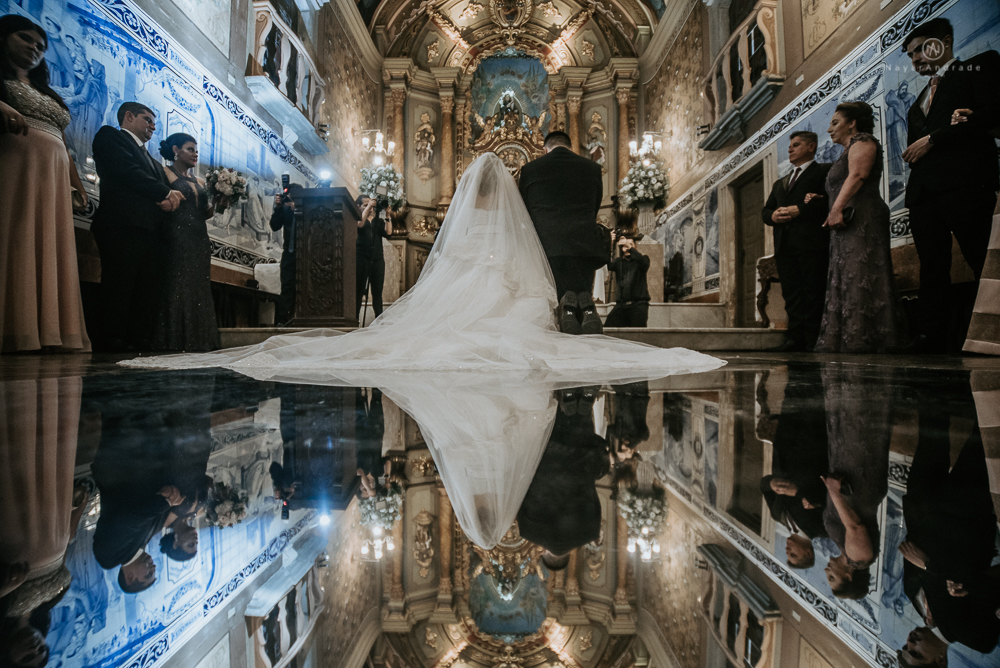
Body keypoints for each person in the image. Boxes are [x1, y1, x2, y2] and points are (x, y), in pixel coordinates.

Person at [119, 153, 724, 384]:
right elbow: (513, 264)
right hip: (506, 278)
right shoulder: (512, 222)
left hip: (467, 279)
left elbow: (452, 260)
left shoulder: (464, 225)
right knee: (522, 307)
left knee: (458, 318)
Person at [901, 18, 1000, 353]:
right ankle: (931, 337)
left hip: (966, 183)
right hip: (924, 194)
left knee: (980, 257)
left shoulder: (980, 67)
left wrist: (935, 138)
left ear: (943, 42)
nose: (915, 59)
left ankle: (990, 335)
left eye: (919, 50)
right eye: (910, 55)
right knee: (932, 268)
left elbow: (992, 114)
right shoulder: (916, 105)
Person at [0, 15, 91, 353]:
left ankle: (47, 329)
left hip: (52, 176)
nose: (34, 48)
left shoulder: (45, 91)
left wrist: (76, 183)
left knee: (46, 244)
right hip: (16, 168)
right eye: (25, 39)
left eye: (40, 45)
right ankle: (15, 328)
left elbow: (63, 143)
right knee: (17, 235)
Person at [813, 101, 906, 353]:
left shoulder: (863, 141)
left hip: (862, 217)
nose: (830, 129)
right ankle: (850, 336)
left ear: (852, 123)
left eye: (835, 123)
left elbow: (858, 175)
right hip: (846, 221)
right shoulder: (847, 149)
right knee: (848, 275)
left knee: (862, 272)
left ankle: (868, 338)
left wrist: (836, 208)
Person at [91, 102, 185, 351]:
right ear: (129, 116)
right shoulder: (111, 137)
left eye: (154, 122)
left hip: (151, 232)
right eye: (147, 119)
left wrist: (167, 201)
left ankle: (138, 339)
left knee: (145, 289)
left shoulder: (153, 161)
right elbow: (127, 171)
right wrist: (165, 193)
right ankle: (111, 339)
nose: (153, 126)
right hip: (122, 225)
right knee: (120, 284)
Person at [519, 131, 609, 335]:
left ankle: (565, 313)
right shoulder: (592, 168)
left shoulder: (530, 169)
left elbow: (524, 210)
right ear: (571, 146)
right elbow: (595, 206)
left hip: (547, 246)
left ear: (545, 149)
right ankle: (586, 311)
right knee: (580, 294)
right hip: (584, 243)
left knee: (554, 300)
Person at [517, 387, 609, 568]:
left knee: (581, 412)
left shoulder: (588, 532)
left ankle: (582, 395)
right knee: (552, 405)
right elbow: (522, 494)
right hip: (546, 456)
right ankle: (564, 390)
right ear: (544, 553)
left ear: (569, 556)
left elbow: (594, 499)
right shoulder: (529, 532)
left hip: (581, 454)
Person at [761, 131, 832, 351]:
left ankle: (812, 339)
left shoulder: (824, 172)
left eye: (796, 144)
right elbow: (766, 211)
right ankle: (794, 338)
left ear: (812, 146)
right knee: (791, 293)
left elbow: (830, 202)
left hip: (812, 243)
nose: (790, 149)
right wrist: (773, 216)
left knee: (813, 292)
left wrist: (801, 209)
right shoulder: (780, 183)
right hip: (785, 245)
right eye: (790, 145)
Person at [151, 133, 220, 351]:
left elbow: (204, 213)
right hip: (176, 235)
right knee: (177, 284)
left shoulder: (199, 181)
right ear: (175, 150)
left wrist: (221, 203)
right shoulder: (164, 173)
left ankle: (198, 340)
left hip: (199, 238)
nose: (195, 154)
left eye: (196, 150)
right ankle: (174, 339)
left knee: (198, 287)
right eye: (190, 149)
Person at [269, 182, 302, 325]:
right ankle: (281, 322)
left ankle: (298, 320)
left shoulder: (306, 209)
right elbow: (275, 226)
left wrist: (298, 209)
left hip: (305, 254)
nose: (289, 199)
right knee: (286, 288)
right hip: (289, 254)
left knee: (302, 289)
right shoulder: (284, 210)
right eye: (287, 196)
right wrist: (278, 208)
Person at [355, 195, 390, 322]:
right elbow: (360, 224)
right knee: (359, 291)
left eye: (370, 205)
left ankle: (379, 321)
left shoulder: (378, 221)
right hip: (362, 258)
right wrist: (369, 206)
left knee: (377, 293)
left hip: (377, 259)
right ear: (358, 206)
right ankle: (355, 320)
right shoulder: (357, 218)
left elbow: (388, 232)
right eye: (365, 205)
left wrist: (388, 215)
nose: (369, 207)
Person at [605, 233, 650, 327]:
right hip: (621, 305)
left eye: (630, 245)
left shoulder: (642, 259)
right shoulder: (618, 262)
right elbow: (607, 263)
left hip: (638, 305)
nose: (626, 248)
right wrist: (610, 243)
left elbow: (644, 263)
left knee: (637, 332)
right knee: (608, 327)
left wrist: (629, 247)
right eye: (624, 246)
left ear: (635, 247)